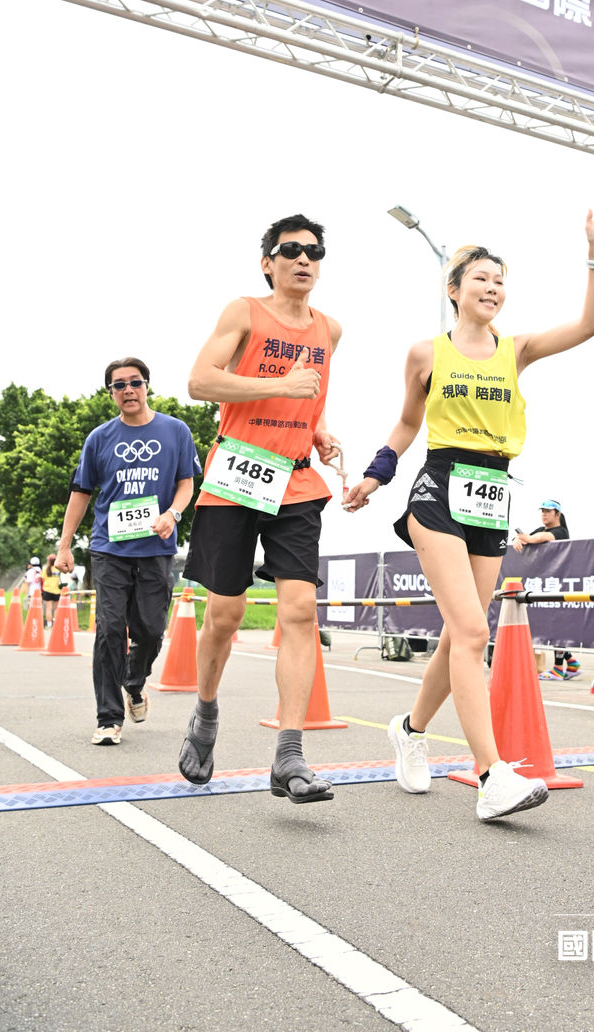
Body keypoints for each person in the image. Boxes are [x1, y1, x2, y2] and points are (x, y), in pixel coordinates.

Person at [346, 200, 594, 821]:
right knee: (474, 633)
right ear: (454, 290)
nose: (493, 287)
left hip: (492, 493)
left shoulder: (515, 350)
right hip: (438, 490)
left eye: (500, 280)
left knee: (459, 635)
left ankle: (410, 730)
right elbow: (407, 423)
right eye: (481, 278)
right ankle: (492, 775)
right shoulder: (425, 354)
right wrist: (374, 475)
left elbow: (589, 326)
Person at [179, 215, 342, 804]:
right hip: (236, 475)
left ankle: (289, 754)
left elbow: (310, 395)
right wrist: (279, 387)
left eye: (314, 252)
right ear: (268, 263)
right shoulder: (244, 313)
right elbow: (200, 382)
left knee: (299, 611)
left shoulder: (330, 329)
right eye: (290, 250)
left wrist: (319, 431)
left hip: (295, 482)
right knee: (225, 614)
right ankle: (205, 713)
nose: (304, 259)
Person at [54, 358, 199, 745]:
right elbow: (81, 491)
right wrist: (65, 544)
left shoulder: (176, 431)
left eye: (135, 382)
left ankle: (134, 683)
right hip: (109, 548)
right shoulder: (99, 438)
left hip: (156, 547)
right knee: (110, 629)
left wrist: (172, 514)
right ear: (111, 393)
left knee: (150, 630)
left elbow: (186, 484)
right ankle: (108, 718)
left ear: (147, 386)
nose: (128, 390)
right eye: (119, 385)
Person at [41, 553, 62, 627]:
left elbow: (43, 579)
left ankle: (49, 624)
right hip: (57, 591)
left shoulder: (45, 569)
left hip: (47, 590)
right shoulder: (58, 569)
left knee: (48, 609)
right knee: (56, 609)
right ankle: (56, 624)